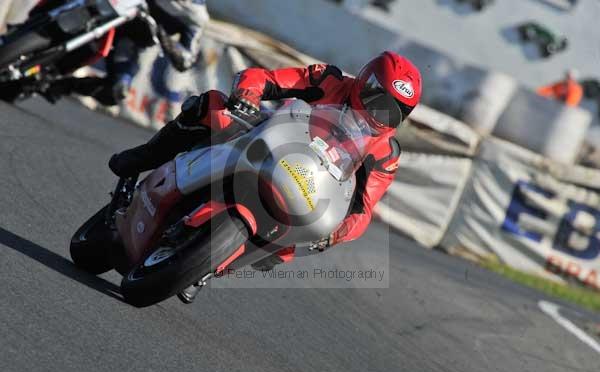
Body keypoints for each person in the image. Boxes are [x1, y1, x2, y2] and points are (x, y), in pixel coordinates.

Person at [108, 51, 423, 303]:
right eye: (379, 103)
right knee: (211, 105)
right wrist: (248, 94)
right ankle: (143, 157)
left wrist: (337, 233)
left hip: (307, 188)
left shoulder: (386, 153)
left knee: (288, 248)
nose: (381, 115)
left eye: (394, 112)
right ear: (366, 84)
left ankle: (205, 266)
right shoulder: (329, 80)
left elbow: (364, 208)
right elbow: (266, 78)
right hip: (264, 141)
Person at [44, 0, 209, 105]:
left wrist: (162, 35)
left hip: (129, 40)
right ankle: (34, 25)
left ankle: (63, 85)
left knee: (117, 91)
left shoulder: (196, 15)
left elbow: (186, 59)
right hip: (105, 11)